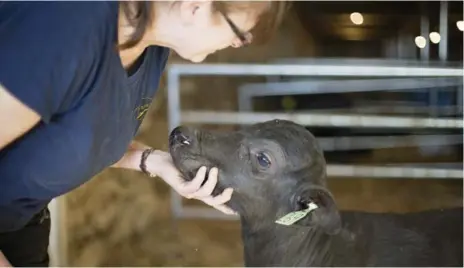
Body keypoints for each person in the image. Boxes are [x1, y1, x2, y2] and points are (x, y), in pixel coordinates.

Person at [0, 0, 289, 266]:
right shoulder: (69, 31)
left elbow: (78, 131)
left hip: (22, 223)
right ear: (195, 6)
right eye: (240, 32)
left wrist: (154, 162)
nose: (238, 43)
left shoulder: (151, 49)